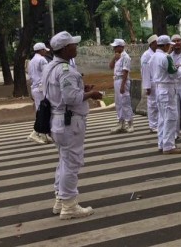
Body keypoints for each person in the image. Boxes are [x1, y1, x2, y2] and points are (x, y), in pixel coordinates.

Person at [43, 31, 103, 220]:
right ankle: (69, 205)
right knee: (72, 162)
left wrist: (81, 89)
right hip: (69, 121)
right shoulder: (65, 70)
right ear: (65, 49)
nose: (76, 47)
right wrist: (91, 94)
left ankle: (61, 200)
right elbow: (71, 98)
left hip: (57, 119)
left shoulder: (50, 68)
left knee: (64, 160)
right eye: (73, 45)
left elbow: (61, 93)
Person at [149, 35, 181, 154]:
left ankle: (162, 143)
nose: (170, 48)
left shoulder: (152, 57)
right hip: (167, 89)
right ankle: (169, 146)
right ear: (164, 45)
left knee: (162, 118)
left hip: (159, 88)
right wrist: (180, 69)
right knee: (171, 118)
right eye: (169, 45)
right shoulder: (166, 57)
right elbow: (173, 74)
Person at [27, 42, 52, 145]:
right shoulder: (42, 60)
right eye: (44, 50)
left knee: (40, 110)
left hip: (35, 88)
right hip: (41, 88)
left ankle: (43, 133)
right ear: (41, 50)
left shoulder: (31, 61)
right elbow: (47, 74)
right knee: (43, 111)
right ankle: (36, 132)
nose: (46, 52)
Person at [108, 38, 133, 133]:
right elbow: (110, 67)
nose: (114, 48)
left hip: (123, 81)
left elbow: (125, 72)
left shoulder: (125, 57)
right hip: (117, 80)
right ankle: (121, 123)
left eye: (115, 46)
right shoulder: (117, 56)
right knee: (118, 103)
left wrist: (122, 85)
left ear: (121, 47)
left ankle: (130, 124)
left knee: (125, 102)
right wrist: (114, 58)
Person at [141, 34, 159, 133]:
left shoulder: (157, 53)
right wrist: (147, 86)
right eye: (157, 42)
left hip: (158, 82)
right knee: (152, 104)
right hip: (151, 82)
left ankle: (157, 123)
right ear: (152, 44)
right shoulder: (146, 55)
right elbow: (145, 71)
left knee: (158, 104)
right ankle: (152, 125)